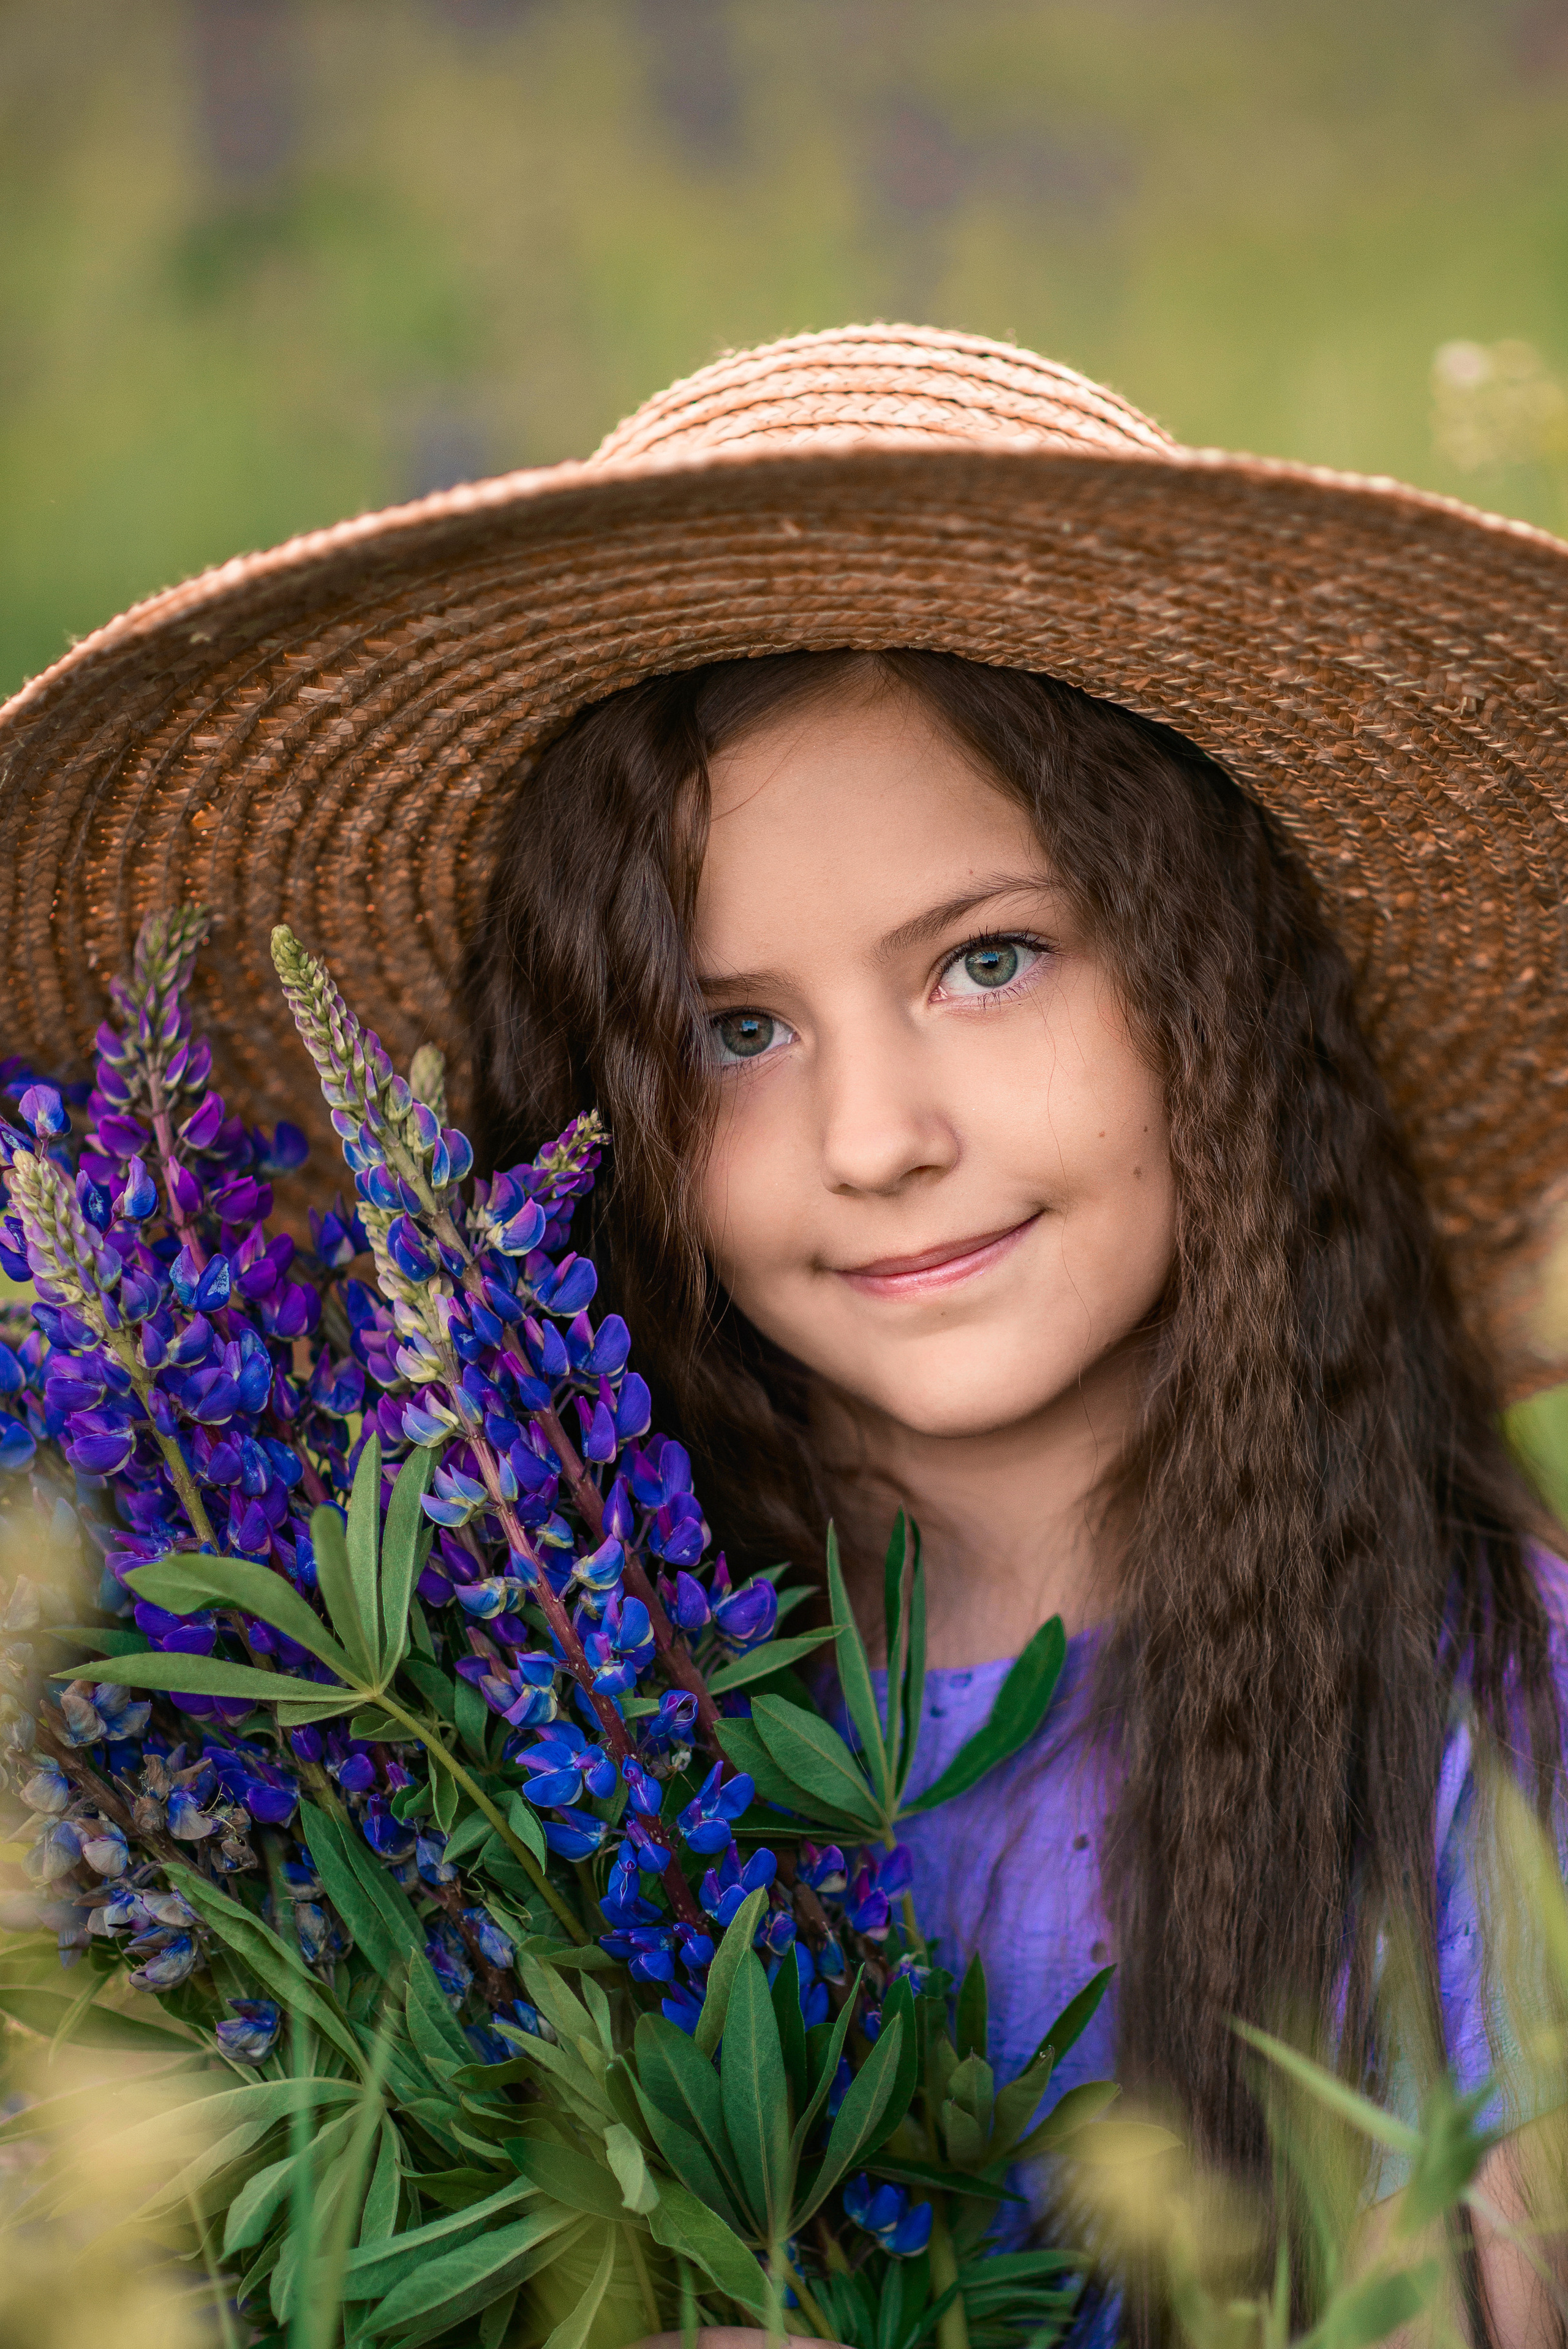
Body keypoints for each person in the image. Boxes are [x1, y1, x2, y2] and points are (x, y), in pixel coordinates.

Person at [4, 325, 1568, 2342]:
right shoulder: (469, 1714)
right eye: (735, 1030)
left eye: (988, 961)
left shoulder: (1496, 1737)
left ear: (1220, 985)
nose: (878, 1139)